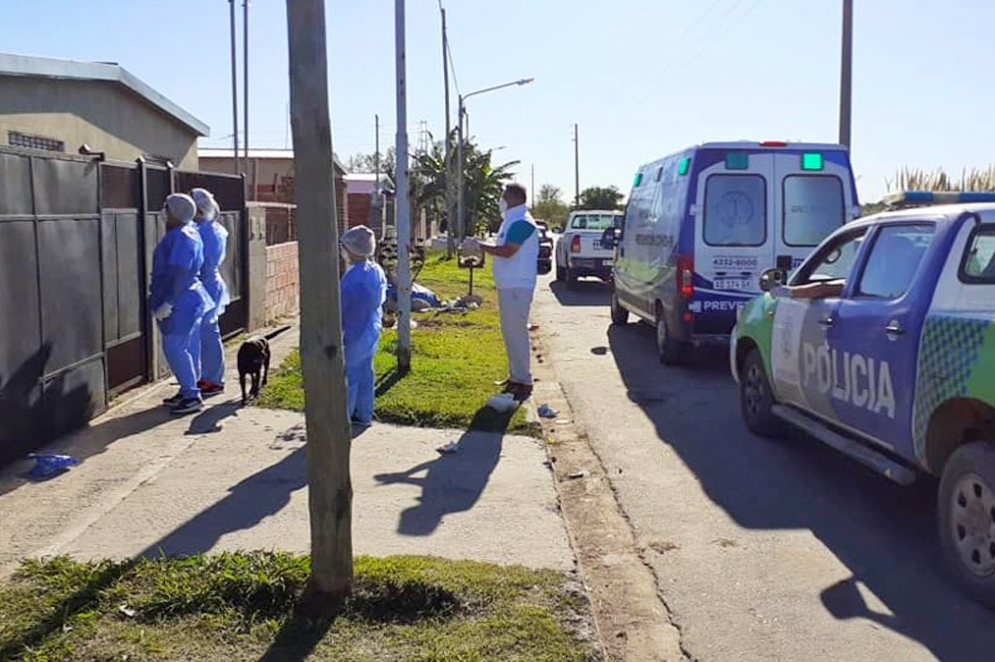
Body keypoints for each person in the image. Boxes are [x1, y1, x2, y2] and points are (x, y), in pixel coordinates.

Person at [465, 183, 539, 402]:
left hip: (518, 285)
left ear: (514, 199)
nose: (501, 200)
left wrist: (480, 246)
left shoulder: (522, 222)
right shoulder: (511, 220)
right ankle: (515, 377)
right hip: (509, 284)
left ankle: (524, 381)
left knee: (517, 333)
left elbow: (507, 251)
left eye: (504, 196)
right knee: (510, 333)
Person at [150, 194, 215, 415]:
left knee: (175, 347)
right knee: (188, 347)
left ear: (175, 212)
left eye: (167, 208)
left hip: (181, 300)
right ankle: (188, 388)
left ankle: (191, 395)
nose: (164, 212)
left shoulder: (181, 236)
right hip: (190, 298)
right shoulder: (188, 233)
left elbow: (180, 272)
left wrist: (168, 301)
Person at [340, 225, 388, 427]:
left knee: (349, 374)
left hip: (355, 330)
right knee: (365, 372)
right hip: (371, 328)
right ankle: (364, 413)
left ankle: (344, 416)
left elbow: (343, 306)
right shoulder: (375, 270)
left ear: (351, 249)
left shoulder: (354, 277)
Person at [189, 188, 230, 397]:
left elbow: (203, 261)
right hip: (207, 284)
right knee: (207, 332)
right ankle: (208, 376)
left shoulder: (206, 231)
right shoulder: (209, 228)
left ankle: (213, 379)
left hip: (206, 285)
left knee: (208, 333)